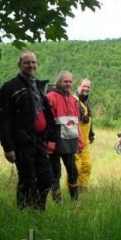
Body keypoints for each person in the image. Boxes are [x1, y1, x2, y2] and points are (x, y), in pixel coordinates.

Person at [0, 51, 55, 210]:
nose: (31, 65)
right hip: (22, 142)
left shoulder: (38, 86)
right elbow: (3, 119)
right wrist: (8, 147)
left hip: (39, 141)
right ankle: (23, 213)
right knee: (27, 180)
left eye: (34, 62)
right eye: (27, 63)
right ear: (19, 65)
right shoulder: (9, 88)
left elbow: (47, 114)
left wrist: (51, 138)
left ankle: (37, 210)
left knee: (46, 178)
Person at [46, 71, 83, 202]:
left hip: (70, 142)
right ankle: (58, 204)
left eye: (70, 82)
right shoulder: (51, 96)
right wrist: (48, 142)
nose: (68, 84)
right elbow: (46, 122)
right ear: (58, 82)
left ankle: (75, 201)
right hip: (55, 142)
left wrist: (80, 142)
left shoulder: (73, 99)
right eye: (65, 81)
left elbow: (76, 123)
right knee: (55, 173)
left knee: (73, 172)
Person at [73, 78, 95, 190]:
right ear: (79, 86)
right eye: (84, 86)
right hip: (75, 141)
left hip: (85, 141)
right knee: (76, 166)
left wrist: (91, 135)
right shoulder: (73, 100)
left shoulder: (87, 101)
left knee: (87, 165)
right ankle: (72, 188)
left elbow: (90, 119)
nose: (86, 89)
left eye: (88, 87)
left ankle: (83, 188)